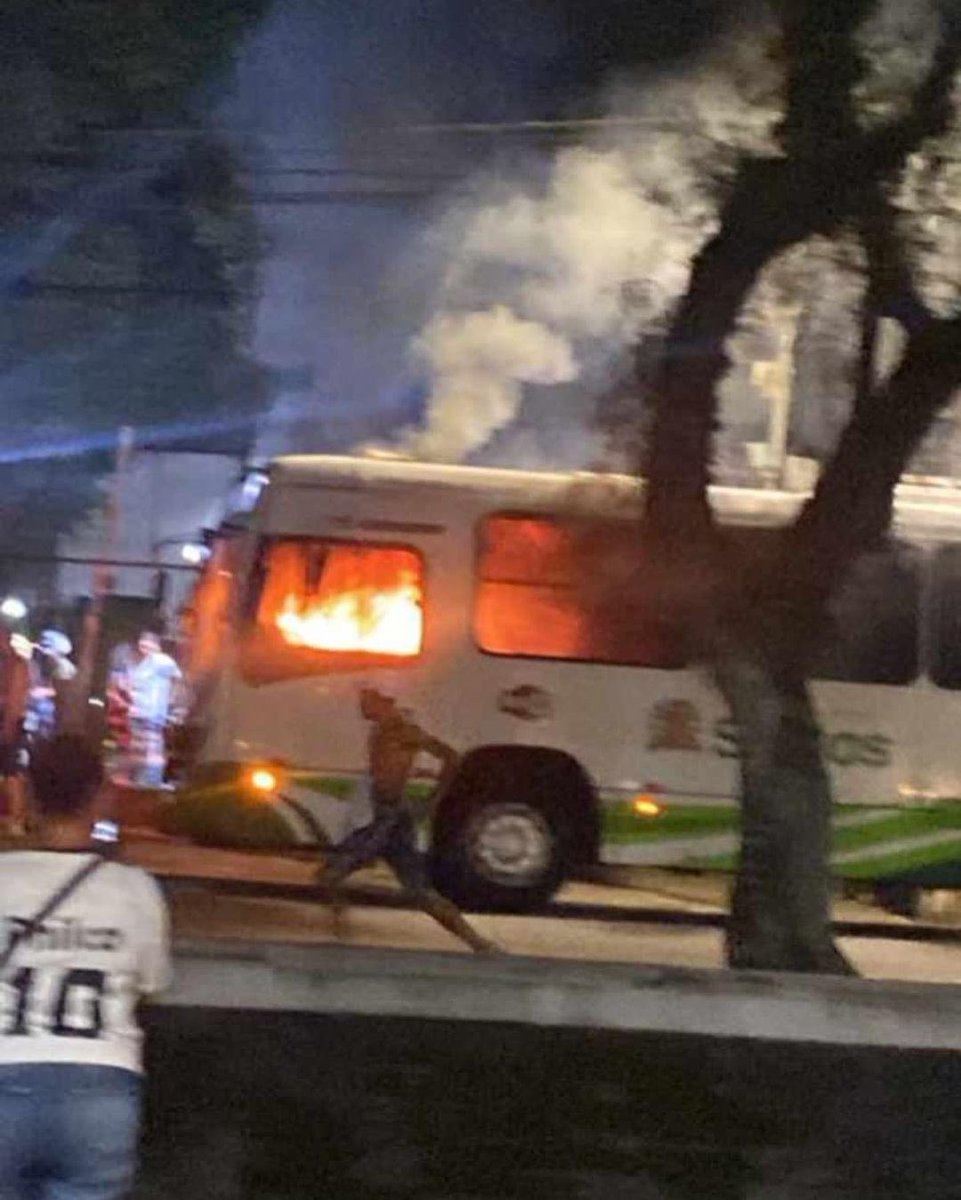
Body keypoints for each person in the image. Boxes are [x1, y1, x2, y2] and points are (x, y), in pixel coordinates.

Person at [0, 734, 172, 1198]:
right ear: (102, 798)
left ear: (27, 796)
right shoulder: (136, 891)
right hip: (101, 1090)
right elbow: (151, 984)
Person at [316, 687, 499, 954]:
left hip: (388, 819)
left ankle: (341, 937)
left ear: (384, 701)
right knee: (420, 892)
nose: (361, 706)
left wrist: (433, 801)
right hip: (390, 816)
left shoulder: (404, 731)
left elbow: (451, 758)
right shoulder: (380, 730)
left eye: (367, 700)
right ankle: (478, 943)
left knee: (329, 875)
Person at [121, 632, 182, 789]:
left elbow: (177, 678)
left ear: (157, 645)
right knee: (139, 749)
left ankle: (150, 782)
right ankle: (140, 781)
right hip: (138, 712)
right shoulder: (141, 665)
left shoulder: (162, 661)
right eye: (142, 645)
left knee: (151, 749)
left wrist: (172, 702)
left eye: (148, 645)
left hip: (152, 713)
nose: (144, 648)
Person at [0, 630, 30, 837]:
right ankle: (15, 821)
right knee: (11, 772)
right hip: (9, 718)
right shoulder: (15, 662)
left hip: (7, 719)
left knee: (11, 771)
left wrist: (9, 725)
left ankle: (16, 821)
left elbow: (16, 697)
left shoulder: (15, 663)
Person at [24, 630, 76, 749]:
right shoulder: (34, 663)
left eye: (47, 649)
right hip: (33, 715)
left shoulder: (65, 669)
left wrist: (44, 692)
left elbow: (62, 691)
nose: (43, 652)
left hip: (48, 721)